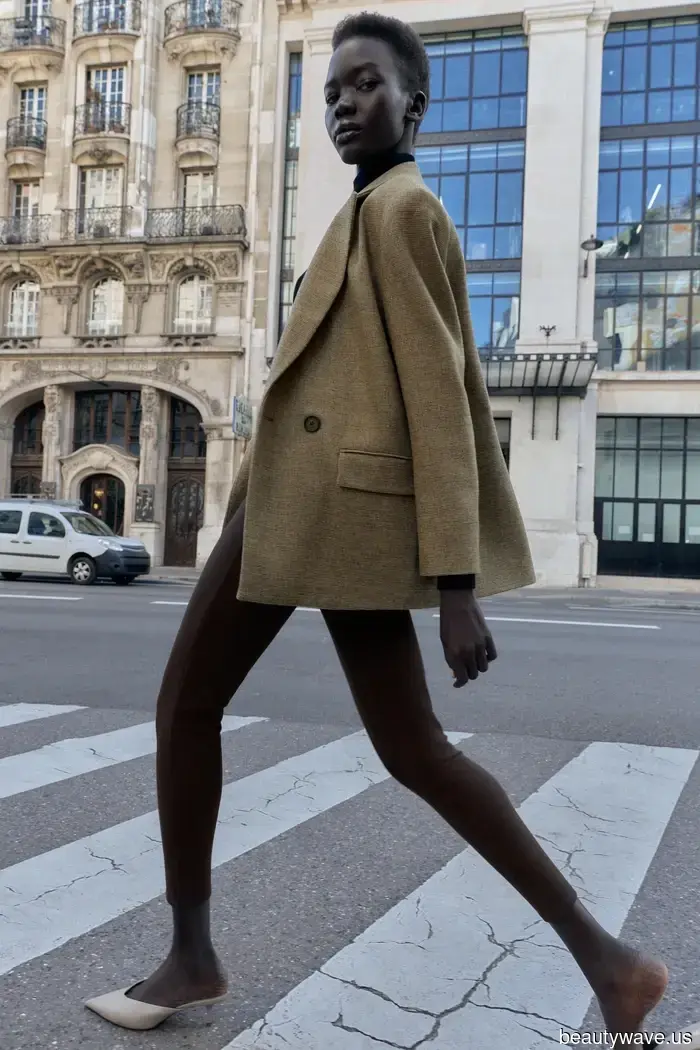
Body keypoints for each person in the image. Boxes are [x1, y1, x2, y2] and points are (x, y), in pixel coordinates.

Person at [85, 11, 668, 1037]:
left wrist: (455, 586)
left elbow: (442, 394)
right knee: (379, 744)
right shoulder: (358, 211)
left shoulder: (405, 212)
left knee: (240, 717)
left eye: (365, 86)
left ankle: (193, 955)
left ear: (414, 102)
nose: (346, 104)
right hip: (298, 514)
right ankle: (608, 963)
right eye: (333, 93)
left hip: (325, 520)